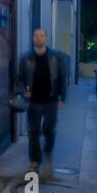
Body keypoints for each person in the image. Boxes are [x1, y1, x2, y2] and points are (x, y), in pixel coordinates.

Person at [19, 29, 67, 177]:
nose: (38, 38)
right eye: (36, 35)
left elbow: (61, 78)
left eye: (41, 35)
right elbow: (19, 79)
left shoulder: (56, 57)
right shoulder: (25, 58)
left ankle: (47, 150)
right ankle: (35, 161)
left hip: (51, 100)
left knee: (48, 130)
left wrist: (62, 98)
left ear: (46, 38)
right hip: (33, 101)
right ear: (33, 38)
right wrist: (23, 91)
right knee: (33, 132)